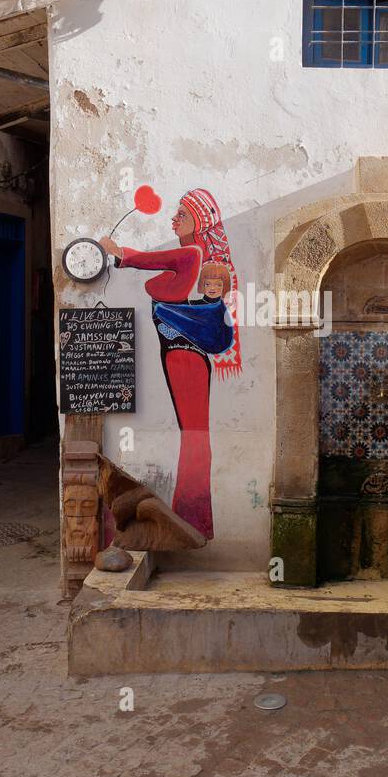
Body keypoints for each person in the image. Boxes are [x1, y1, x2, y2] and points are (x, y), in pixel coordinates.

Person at [99, 188, 240, 539]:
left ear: (198, 222)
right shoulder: (196, 257)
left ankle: (190, 518)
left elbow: (150, 260)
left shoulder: (191, 252)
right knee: (193, 435)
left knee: (194, 435)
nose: (173, 218)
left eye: (181, 214)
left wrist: (119, 253)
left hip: (183, 356)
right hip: (182, 356)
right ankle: (193, 518)